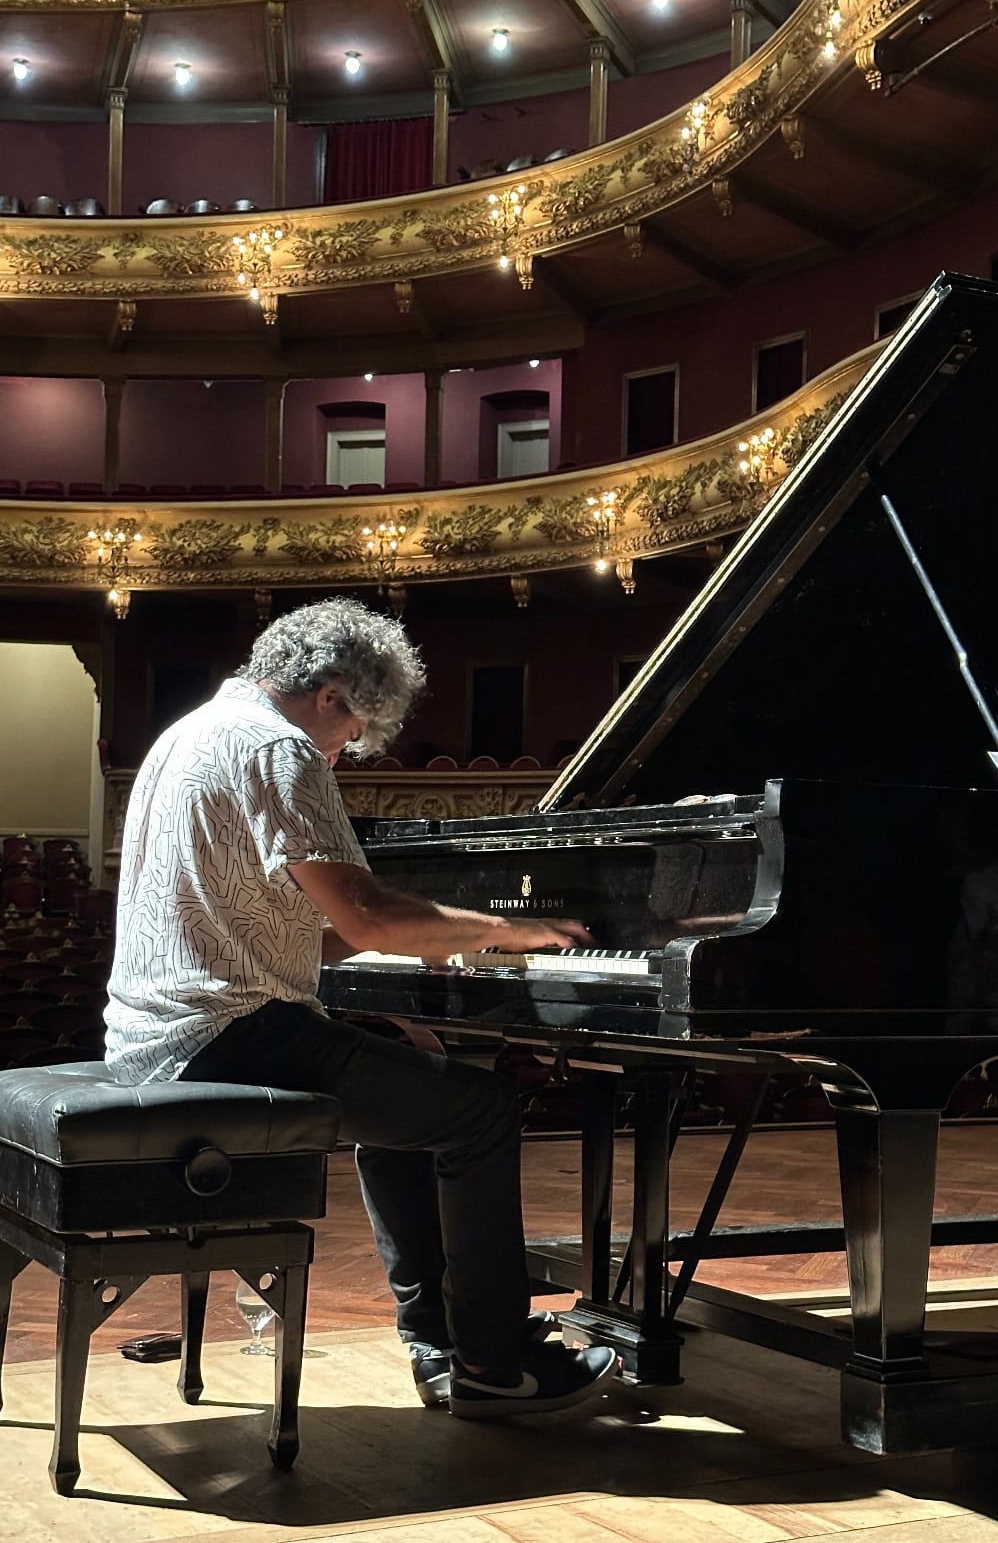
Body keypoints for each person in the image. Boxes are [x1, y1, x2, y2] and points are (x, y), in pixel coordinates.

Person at [102, 597, 621, 1420]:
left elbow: (309, 933)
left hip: (156, 1035)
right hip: (224, 1037)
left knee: (414, 1096)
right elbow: (368, 917)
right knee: (483, 1111)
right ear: (333, 694)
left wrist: (430, 952)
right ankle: (494, 1364)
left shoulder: (188, 734)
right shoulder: (279, 746)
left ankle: (435, 1342)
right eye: (349, 737)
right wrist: (502, 930)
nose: (341, 757)